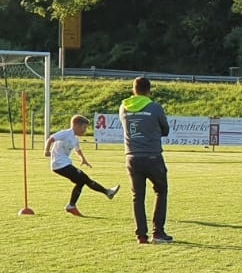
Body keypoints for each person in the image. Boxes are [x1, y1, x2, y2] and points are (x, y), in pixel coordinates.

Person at [121, 76, 172, 244]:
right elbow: (165, 130)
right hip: (152, 156)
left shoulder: (124, 107)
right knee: (161, 191)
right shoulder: (155, 107)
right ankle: (158, 233)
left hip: (132, 156)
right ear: (149, 90)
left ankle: (141, 235)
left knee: (138, 196)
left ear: (133, 90)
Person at [46, 114, 119, 215]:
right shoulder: (65, 133)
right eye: (84, 127)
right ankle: (107, 192)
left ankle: (71, 206)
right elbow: (50, 139)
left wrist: (83, 159)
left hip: (64, 164)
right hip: (59, 164)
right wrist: (46, 151)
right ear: (76, 126)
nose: (85, 130)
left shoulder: (75, 138)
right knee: (84, 178)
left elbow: (77, 149)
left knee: (81, 182)